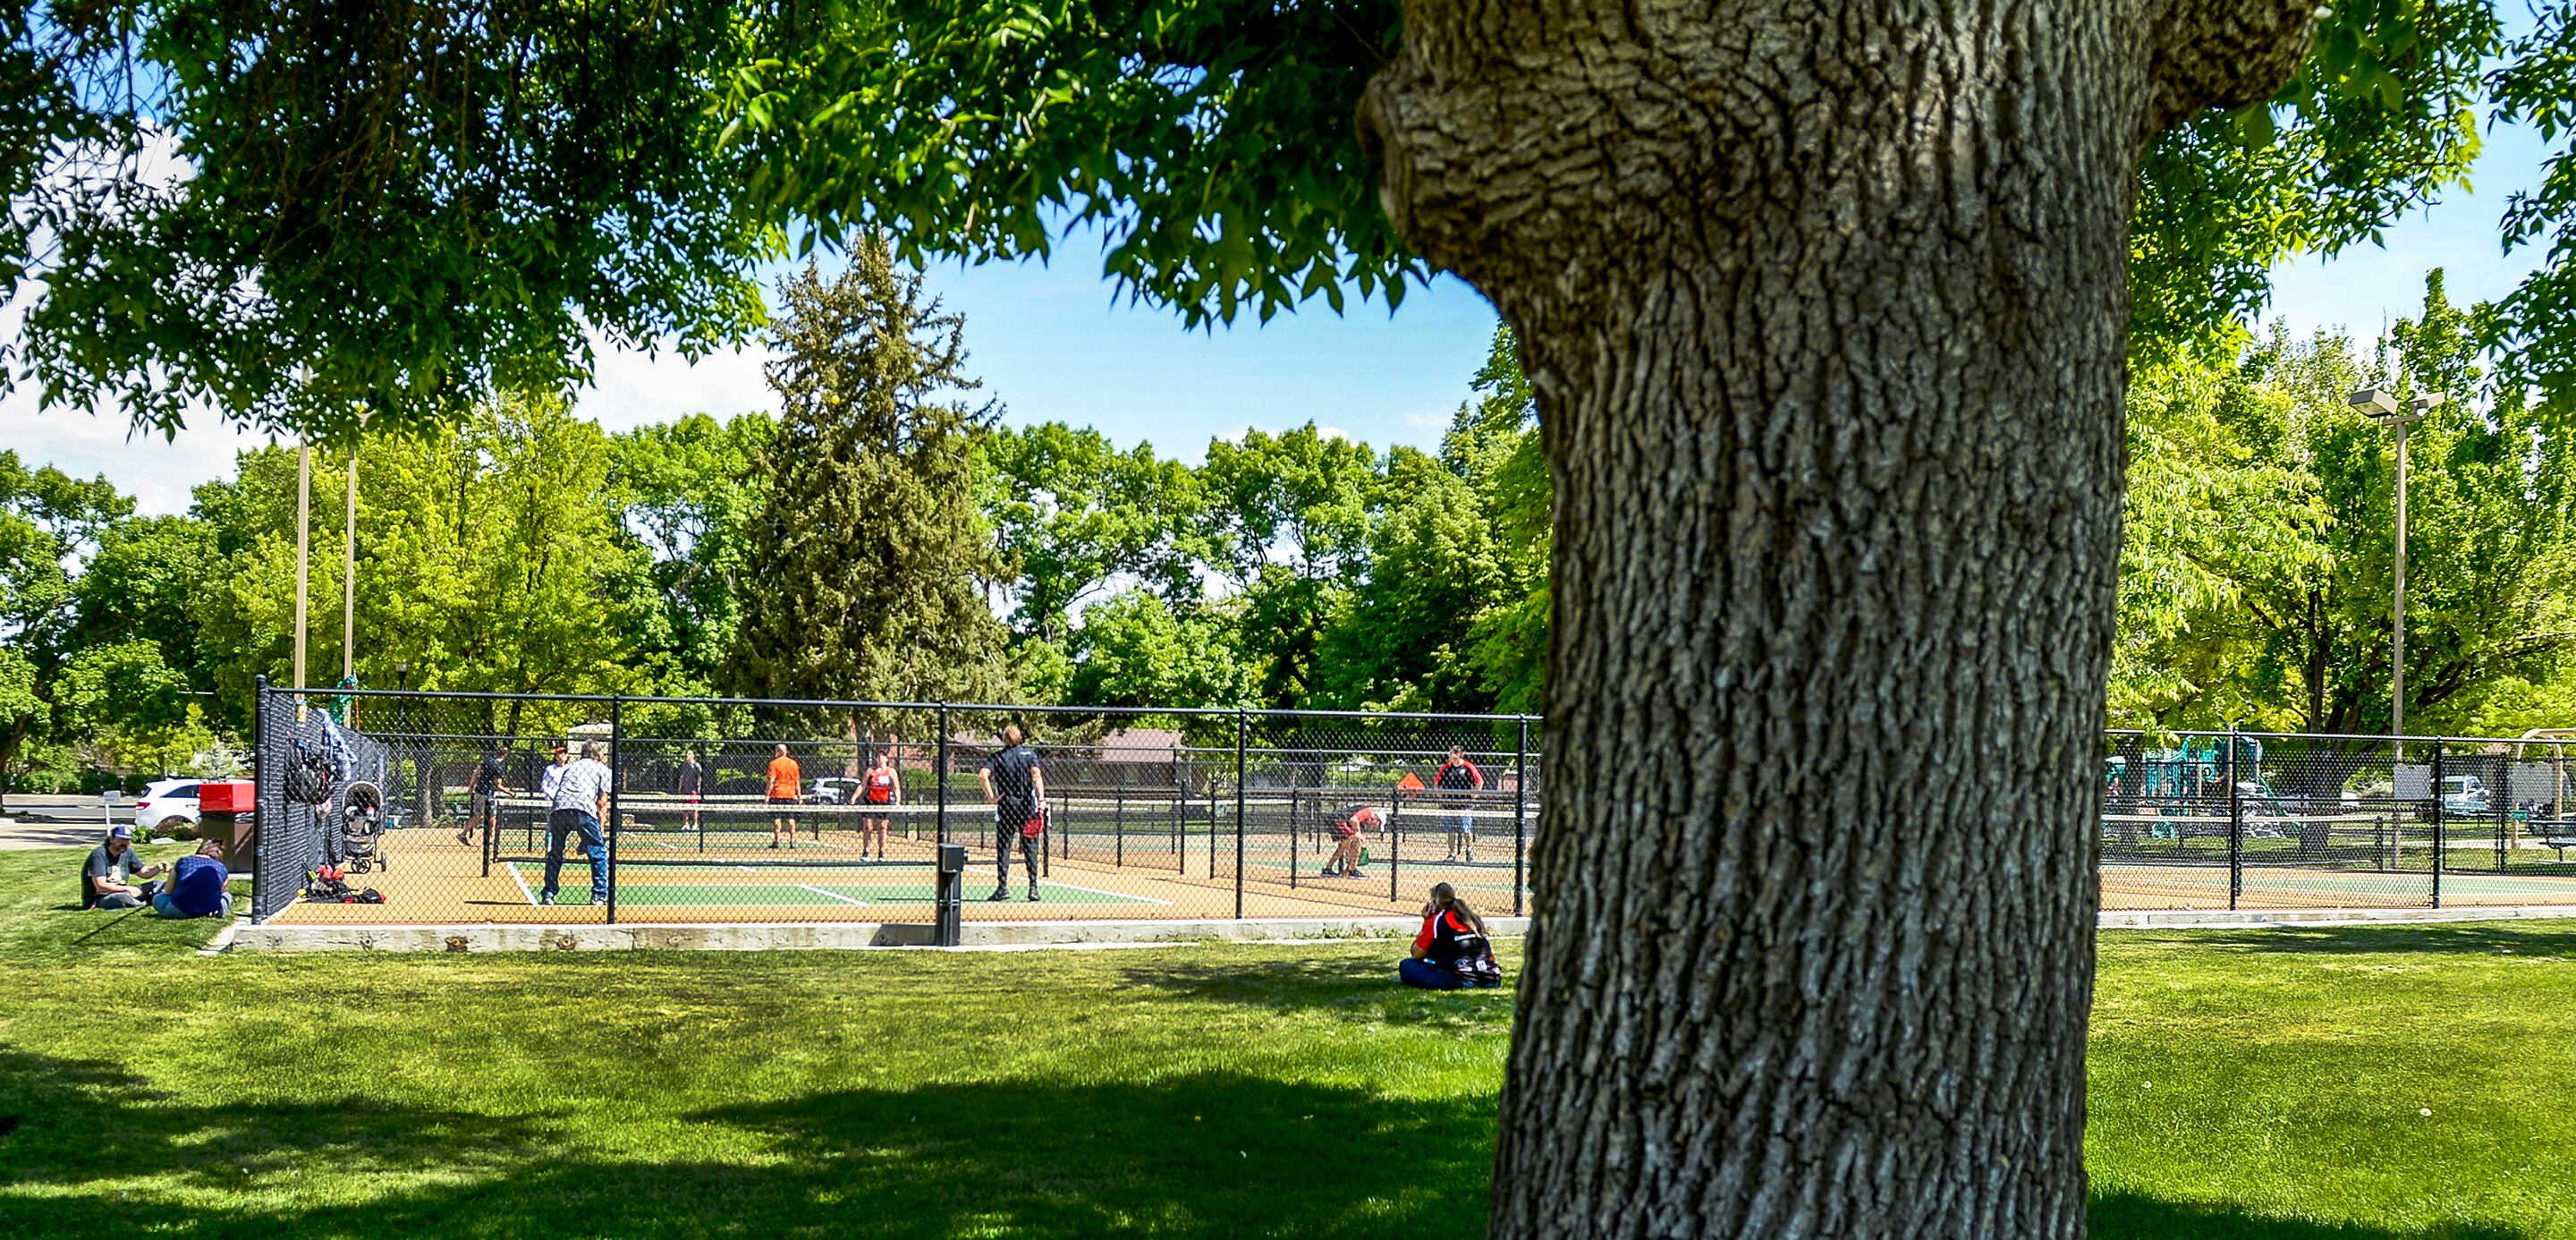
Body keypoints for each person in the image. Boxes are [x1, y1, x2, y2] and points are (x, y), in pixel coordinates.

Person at [540, 740, 614, 906]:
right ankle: (599, 896)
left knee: (556, 852)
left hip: (559, 809)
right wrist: (600, 829)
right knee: (598, 852)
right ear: (598, 755)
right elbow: (603, 801)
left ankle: (549, 894)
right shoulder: (602, 769)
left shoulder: (570, 767)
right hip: (583, 809)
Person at [979, 725, 1045, 901]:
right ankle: (1033, 888)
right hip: (1027, 806)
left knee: (1004, 847)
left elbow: (982, 775)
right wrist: (1041, 799)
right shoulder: (1029, 755)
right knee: (1031, 846)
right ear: (1020, 737)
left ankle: (1003, 887)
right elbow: (1037, 776)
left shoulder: (998, 757)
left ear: (1004, 739)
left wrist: (992, 797)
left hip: (1007, 805)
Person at [1398, 882, 1504, 990]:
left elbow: (1416, 954)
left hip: (1463, 979)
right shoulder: (1473, 919)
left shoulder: (1438, 920)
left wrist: (1426, 921)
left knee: (1406, 965)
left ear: (1436, 903)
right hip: (1492, 977)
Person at [80, 825, 166, 910]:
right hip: (101, 897)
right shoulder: (99, 855)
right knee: (123, 898)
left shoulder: (127, 852)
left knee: (160, 884)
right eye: (120, 839)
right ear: (111, 839)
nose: (124, 843)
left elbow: (144, 873)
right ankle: (147, 900)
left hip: (123, 891)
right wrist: (128, 889)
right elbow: (101, 886)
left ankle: (149, 899)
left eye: (127, 840)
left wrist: (158, 867)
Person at [153, 839, 233, 919]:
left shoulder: (182, 862)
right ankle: (216, 911)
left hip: (179, 909)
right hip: (211, 910)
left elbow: (168, 891)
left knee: (157, 898)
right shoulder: (222, 868)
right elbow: (222, 892)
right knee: (227, 895)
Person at [1434, 746, 1487, 862]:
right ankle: (1451, 853)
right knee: (1450, 830)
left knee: (1465, 829)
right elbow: (1437, 782)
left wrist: (1474, 796)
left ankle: (1469, 850)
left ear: (1458, 755)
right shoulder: (1446, 768)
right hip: (1449, 804)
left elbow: (1480, 782)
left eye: (1451, 754)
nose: (1449, 756)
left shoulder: (1468, 767)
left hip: (1464, 804)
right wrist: (1441, 796)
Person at [462, 742, 511, 845]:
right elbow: (498, 785)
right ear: (505, 755)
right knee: (492, 815)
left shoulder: (487, 761)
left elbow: (476, 772)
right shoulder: (499, 767)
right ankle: (491, 839)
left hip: (479, 790)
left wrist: (471, 787)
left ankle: (463, 834)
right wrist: (510, 792)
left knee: (478, 814)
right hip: (488, 793)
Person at [1319, 803, 1381, 879]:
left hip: (1335, 819)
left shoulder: (1364, 822)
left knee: (1345, 845)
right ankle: (1352, 870)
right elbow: (1353, 819)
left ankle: (1328, 869)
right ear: (1376, 819)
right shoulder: (1368, 812)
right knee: (1358, 841)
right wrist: (1358, 833)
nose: (1375, 827)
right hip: (1338, 819)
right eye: (1377, 824)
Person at [860, 749, 900, 861]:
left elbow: (896, 788)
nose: (880, 758)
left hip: (885, 802)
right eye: (878, 756)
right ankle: (866, 852)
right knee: (868, 826)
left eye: (883, 756)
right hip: (871, 801)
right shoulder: (870, 771)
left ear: (887, 759)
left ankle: (881, 853)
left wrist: (898, 801)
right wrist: (854, 798)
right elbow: (862, 786)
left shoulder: (891, 772)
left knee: (883, 827)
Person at [766, 743, 802, 849]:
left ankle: (777, 841)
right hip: (790, 794)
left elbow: (771, 780)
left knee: (777, 818)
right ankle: (792, 841)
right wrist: (799, 795)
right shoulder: (793, 763)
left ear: (777, 751)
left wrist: (767, 795)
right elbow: (797, 781)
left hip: (777, 794)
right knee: (791, 818)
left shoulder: (774, 763)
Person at [676, 747, 706, 835]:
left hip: (693, 790)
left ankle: (695, 824)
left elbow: (699, 777)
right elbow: (682, 777)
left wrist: (699, 788)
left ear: (693, 755)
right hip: (686, 789)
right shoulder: (685, 765)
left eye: (689, 754)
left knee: (694, 807)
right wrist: (680, 786)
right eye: (687, 754)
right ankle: (686, 824)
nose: (687, 755)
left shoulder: (696, 765)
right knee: (685, 807)